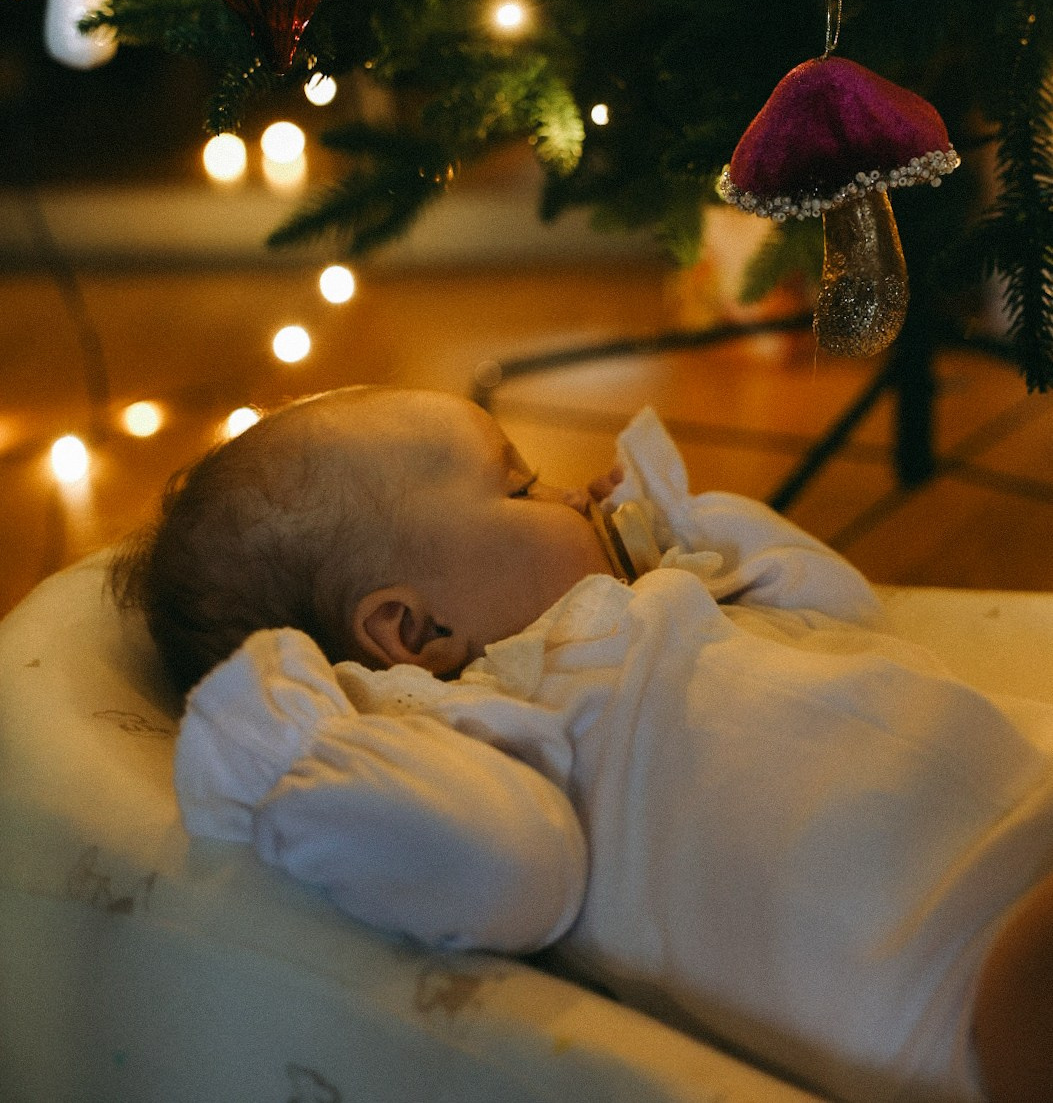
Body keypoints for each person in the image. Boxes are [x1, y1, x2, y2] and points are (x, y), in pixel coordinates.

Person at [114, 386, 1053, 1103]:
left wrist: (689, 531)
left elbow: (846, 615)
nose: (571, 492)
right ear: (413, 630)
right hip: (962, 977)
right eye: (521, 484)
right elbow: (506, 869)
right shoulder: (469, 722)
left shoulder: (663, 596)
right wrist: (299, 749)